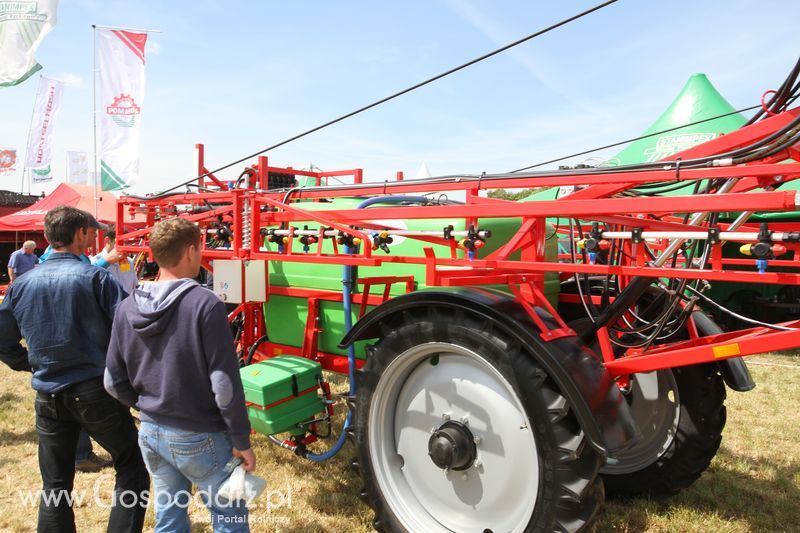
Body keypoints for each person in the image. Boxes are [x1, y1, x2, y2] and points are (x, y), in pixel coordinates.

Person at [0, 206, 149, 533]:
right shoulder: (95, 278)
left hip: (48, 393)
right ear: (80, 233)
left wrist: (30, 364)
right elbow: (131, 327)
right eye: (91, 230)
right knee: (133, 468)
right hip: (94, 390)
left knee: (54, 485)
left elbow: (4, 341)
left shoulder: (21, 284)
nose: (95, 235)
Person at [105, 218, 255, 532]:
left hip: (150, 432)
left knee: (169, 517)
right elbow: (224, 385)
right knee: (230, 515)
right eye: (200, 248)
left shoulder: (126, 307)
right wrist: (241, 439)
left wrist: (146, 404)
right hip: (201, 434)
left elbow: (112, 381)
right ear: (190, 251)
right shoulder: (206, 304)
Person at [93, 224, 138, 294]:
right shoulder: (95, 262)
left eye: (127, 243)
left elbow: (134, 286)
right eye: (121, 243)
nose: (125, 246)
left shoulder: (129, 261)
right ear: (107, 241)